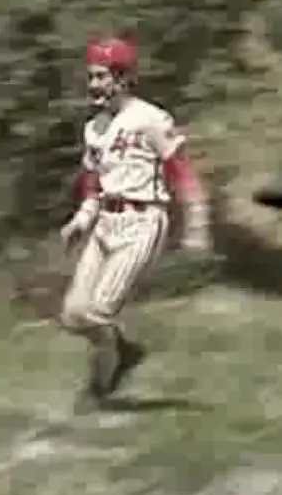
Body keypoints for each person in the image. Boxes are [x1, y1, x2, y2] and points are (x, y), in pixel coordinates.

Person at [58, 36, 212, 412]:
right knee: (73, 315)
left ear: (122, 78)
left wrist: (196, 224)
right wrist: (82, 217)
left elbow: (181, 172)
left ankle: (98, 390)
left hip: (142, 222)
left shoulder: (150, 119)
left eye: (101, 77)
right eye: (91, 77)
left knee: (97, 313)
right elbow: (93, 179)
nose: (93, 85)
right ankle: (123, 352)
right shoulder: (94, 127)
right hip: (105, 223)